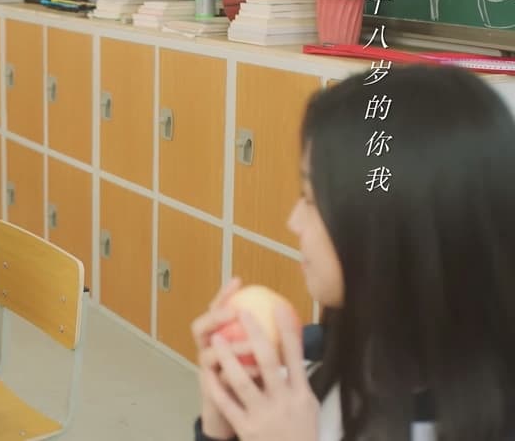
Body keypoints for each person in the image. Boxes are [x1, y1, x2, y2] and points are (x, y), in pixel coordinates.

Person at [191, 64, 515, 441]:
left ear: (393, 227)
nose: (293, 221)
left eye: (310, 199)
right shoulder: (307, 364)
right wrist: (219, 427)